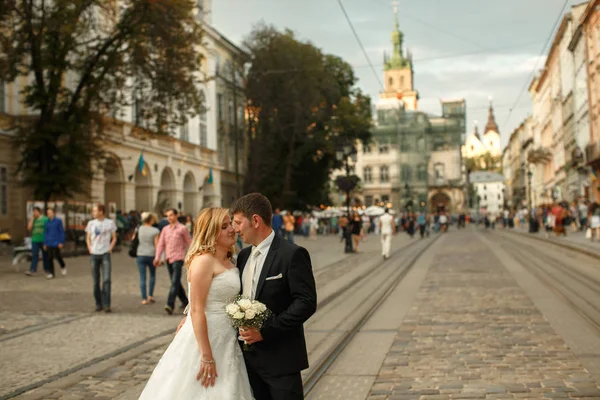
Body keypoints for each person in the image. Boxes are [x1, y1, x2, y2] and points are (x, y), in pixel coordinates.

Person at [139, 208, 254, 399]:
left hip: (227, 339)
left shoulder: (231, 261)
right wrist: (207, 356)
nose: (232, 230)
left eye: (230, 224)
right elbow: (197, 309)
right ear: (210, 232)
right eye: (223, 227)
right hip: (206, 339)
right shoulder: (203, 261)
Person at [233, 193, 317, 400]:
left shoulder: (292, 254)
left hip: (282, 360)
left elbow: (306, 302)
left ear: (255, 220)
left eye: (237, 222)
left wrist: (266, 331)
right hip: (248, 361)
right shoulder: (243, 256)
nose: (235, 229)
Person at [155, 208, 191, 315]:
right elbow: (161, 244)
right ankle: (185, 301)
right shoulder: (165, 229)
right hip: (168, 258)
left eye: (171, 215)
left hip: (178, 258)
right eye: (168, 216)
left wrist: (192, 256)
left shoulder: (182, 229)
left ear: (176, 216)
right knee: (176, 282)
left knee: (174, 281)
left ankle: (170, 304)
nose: (169, 218)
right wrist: (157, 258)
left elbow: (189, 242)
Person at [85, 204, 117, 312]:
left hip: (105, 253)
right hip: (94, 253)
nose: (93, 213)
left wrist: (110, 248)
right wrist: (90, 249)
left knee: (106, 280)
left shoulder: (109, 223)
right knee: (95, 281)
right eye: (93, 211)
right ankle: (98, 303)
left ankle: (107, 304)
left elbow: (114, 238)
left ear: (101, 212)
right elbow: (88, 238)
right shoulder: (91, 223)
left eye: (95, 211)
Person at [136, 212, 160, 305]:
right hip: (151, 254)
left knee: (142, 277)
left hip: (140, 253)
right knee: (152, 275)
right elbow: (157, 244)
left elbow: (134, 239)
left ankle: (144, 298)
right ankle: (150, 295)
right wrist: (158, 257)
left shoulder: (140, 229)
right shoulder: (155, 230)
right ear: (151, 220)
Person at [25, 206, 49, 277]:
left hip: (43, 239)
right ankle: (33, 269)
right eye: (33, 212)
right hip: (35, 239)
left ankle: (47, 269)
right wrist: (32, 219)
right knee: (35, 255)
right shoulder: (34, 219)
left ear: (39, 212)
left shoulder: (45, 219)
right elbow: (29, 228)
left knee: (45, 255)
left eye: (35, 211)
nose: (34, 213)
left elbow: (48, 229)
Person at [44, 208, 66, 278]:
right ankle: (51, 273)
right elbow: (45, 233)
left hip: (56, 242)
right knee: (49, 257)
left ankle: (63, 266)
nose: (49, 214)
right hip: (49, 242)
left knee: (57, 256)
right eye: (47, 213)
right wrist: (45, 243)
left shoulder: (58, 221)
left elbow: (61, 232)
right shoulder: (47, 222)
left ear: (53, 213)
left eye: (50, 213)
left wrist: (61, 242)